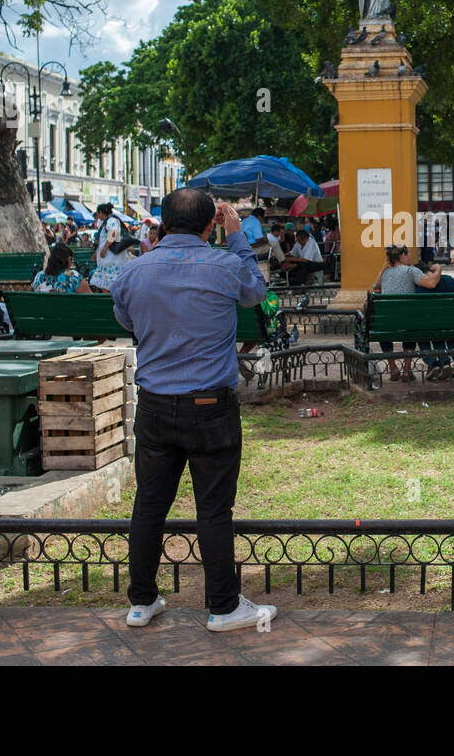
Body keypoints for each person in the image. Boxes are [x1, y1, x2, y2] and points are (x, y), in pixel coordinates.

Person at [111, 188, 275, 632]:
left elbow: (127, 321)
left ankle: (141, 602)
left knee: (149, 505)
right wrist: (237, 235)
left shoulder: (132, 273)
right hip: (211, 408)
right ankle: (222, 607)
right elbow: (256, 293)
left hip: (155, 406)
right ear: (210, 225)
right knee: (214, 510)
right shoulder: (224, 265)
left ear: (162, 224)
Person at [371, 245, 442, 381]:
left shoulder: (385, 272)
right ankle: (406, 370)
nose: (411, 258)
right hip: (406, 321)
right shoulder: (411, 271)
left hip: (386, 322)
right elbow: (432, 283)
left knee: (386, 328)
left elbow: (376, 288)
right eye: (409, 254)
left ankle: (392, 368)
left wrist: (382, 271)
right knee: (410, 323)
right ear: (402, 255)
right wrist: (438, 269)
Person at [90, 207, 131, 292]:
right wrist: (96, 252)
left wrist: (104, 249)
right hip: (108, 260)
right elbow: (103, 239)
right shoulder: (106, 222)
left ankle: (110, 302)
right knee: (105, 284)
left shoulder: (111, 220)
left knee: (109, 284)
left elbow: (113, 233)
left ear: (100, 212)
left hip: (111, 259)